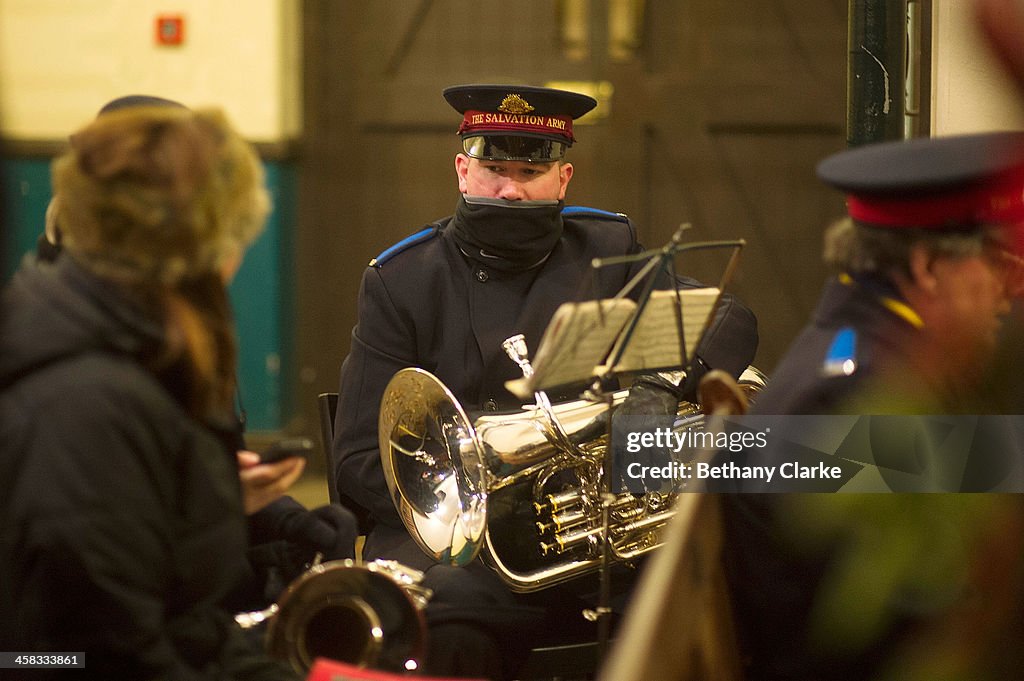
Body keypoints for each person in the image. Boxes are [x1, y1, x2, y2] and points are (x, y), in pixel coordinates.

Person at [332, 83, 759, 679]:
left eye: (531, 170)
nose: (509, 188)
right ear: (463, 171)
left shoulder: (605, 245)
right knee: (454, 615)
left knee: (737, 562)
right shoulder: (402, 279)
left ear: (563, 179)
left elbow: (724, 315)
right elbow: (356, 457)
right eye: (493, 168)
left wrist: (659, 385)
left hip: (593, 528)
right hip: (460, 545)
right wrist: (489, 507)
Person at [0, 105, 300, 679]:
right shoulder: (89, 402)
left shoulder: (137, 350)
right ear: (205, 246)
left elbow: (175, 622)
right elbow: (81, 657)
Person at [721, 131, 1024, 681]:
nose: (1012, 293)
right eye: (1001, 266)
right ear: (930, 266)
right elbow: (922, 600)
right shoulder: (852, 394)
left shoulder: (856, 346)